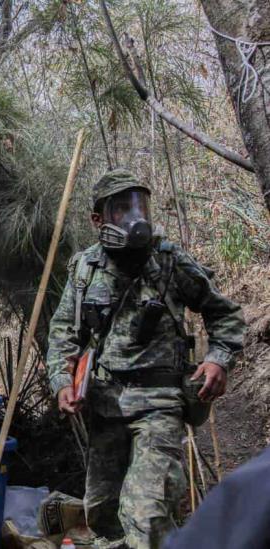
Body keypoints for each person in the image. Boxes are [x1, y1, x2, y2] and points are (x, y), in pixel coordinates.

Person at [45, 169, 245, 549]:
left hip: (159, 406)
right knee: (103, 514)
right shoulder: (85, 268)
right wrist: (61, 382)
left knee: (147, 513)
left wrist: (219, 359)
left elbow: (225, 313)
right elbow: (62, 335)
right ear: (98, 219)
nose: (135, 217)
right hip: (105, 407)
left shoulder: (169, 262)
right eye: (122, 209)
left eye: (140, 206)